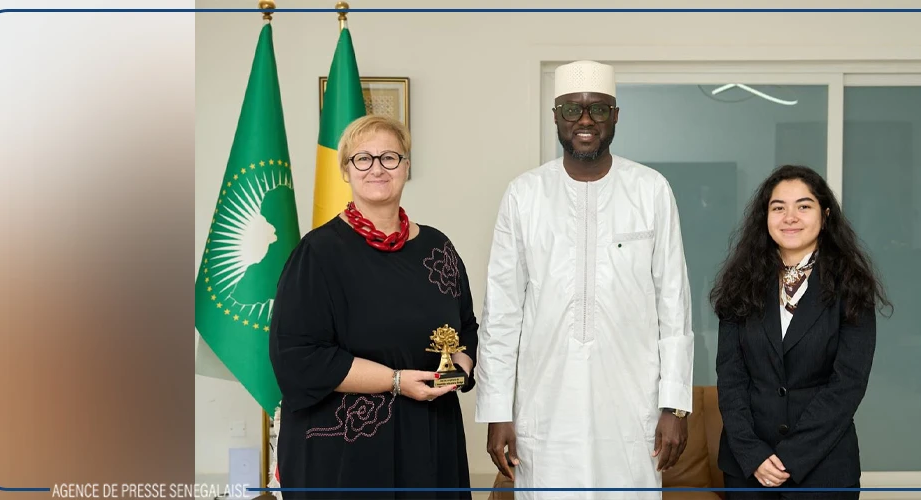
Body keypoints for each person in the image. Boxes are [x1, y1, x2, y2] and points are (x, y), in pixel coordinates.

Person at [473, 60, 695, 500]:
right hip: (546, 405)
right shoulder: (524, 195)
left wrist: (675, 405)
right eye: (572, 110)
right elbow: (501, 312)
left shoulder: (650, 190)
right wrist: (497, 410)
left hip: (632, 406)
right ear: (555, 117)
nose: (586, 120)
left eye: (598, 108)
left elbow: (674, 305)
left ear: (616, 115)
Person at [269, 115, 477, 500]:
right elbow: (297, 356)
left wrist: (455, 373)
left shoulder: (438, 247)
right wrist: (396, 381)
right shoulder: (317, 254)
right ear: (347, 171)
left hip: (431, 435)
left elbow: (466, 327)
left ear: (407, 167)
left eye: (390, 157)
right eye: (363, 159)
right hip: (346, 450)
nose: (377, 168)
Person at [710, 165, 889, 499]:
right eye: (778, 207)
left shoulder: (851, 286)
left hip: (824, 466)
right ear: (765, 217)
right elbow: (730, 377)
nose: (789, 217)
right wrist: (753, 454)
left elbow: (847, 384)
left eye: (803, 206)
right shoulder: (741, 283)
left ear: (826, 214)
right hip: (748, 469)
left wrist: (791, 456)